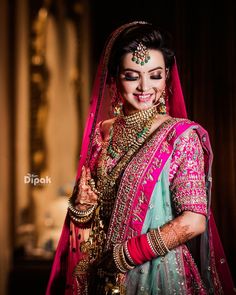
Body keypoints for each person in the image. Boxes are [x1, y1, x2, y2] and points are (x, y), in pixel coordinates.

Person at [46, 21, 235, 295]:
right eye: (132, 76)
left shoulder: (180, 136)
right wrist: (83, 208)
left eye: (155, 75)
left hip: (157, 273)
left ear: (167, 75)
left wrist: (128, 254)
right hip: (103, 274)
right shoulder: (105, 132)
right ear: (115, 77)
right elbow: (96, 216)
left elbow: (194, 221)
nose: (145, 86)